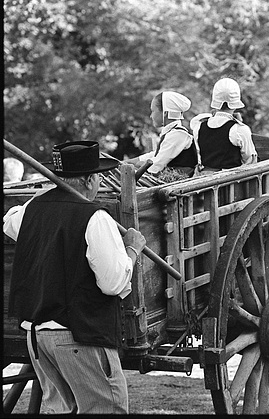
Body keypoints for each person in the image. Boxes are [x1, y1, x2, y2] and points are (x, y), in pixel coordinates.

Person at [4, 140, 147, 414]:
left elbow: (9, 221)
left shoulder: (31, 210)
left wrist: (42, 203)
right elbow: (113, 283)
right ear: (90, 179)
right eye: (99, 178)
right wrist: (132, 248)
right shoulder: (95, 218)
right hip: (79, 335)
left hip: (38, 337)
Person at [124, 91, 197, 180]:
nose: (151, 116)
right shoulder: (171, 132)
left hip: (177, 183)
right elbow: (156, 154)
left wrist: (137, 164)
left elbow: (156, 166)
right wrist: (131, 161)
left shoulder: (178, 135)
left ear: (165, 113)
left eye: (153, 111)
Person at [190, 78, 257, 174]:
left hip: (204, 183)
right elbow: (251, 161)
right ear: (236, 103)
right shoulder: (240, 130)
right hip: (230, 184)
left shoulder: (199, 127)